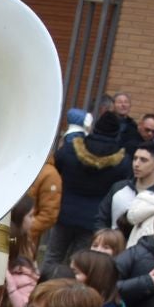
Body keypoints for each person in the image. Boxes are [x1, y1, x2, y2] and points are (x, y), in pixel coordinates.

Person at [47, 113, 134, 270]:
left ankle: (42, 289)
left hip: (64, 213)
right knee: (79, 263)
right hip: (93, 220)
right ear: (116, 133)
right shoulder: (122, 161)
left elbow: (56, 165)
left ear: (95, 128)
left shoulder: (71, 149)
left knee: (53, 257)